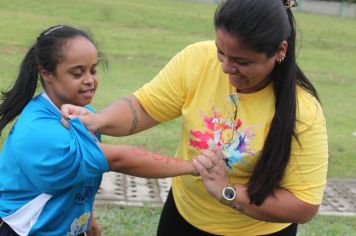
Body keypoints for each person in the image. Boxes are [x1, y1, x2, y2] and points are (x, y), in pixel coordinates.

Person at [61, 0, 329, 235]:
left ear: (280, 51)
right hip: (183, 217)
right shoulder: (197, 59)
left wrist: (228, 191)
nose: (225, 68)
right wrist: (98, 120)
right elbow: (143, 107)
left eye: (242, 62)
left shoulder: (304, 111)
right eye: (221, 52)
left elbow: (303, 206)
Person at [0, 25, 198, 236]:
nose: (90, 80)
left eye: (93, 70)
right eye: (77, 73)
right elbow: (119, 158)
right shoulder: (40, 131)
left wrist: (86, 217)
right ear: (46, 74)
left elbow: (80, 176)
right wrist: (193, 166)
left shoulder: (85, 116)